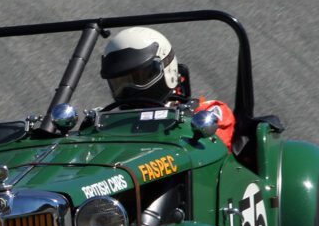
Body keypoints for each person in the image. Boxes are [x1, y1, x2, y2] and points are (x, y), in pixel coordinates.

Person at [99, 26, 236, 149]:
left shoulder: (205, 114)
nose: (128, 89)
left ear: (166, 68)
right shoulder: (108, 125)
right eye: (120, 82)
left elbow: (211, 152)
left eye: (138, 78)